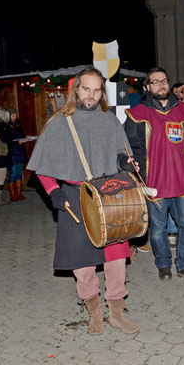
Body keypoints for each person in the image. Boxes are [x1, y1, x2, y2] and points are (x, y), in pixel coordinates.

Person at [27, 66, 139, 335]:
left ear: (102, 92)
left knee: (115, 259)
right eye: (86, 88)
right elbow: (43, 168)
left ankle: (116, 312)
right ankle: (94, 313)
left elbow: (119, 154)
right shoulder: (59, 122)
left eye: (96, 89)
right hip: (76, 197)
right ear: (76, 89)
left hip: (109, 194)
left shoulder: (110, 120)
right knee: (82, 262)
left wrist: (126, 161)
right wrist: (54, 192)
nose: (91, 94)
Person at [125, 67, 184, 282]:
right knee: (158, 228)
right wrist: (136, 170)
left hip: (182, 180)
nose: (161, 85)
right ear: (147, 87)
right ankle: (163, 265)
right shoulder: (138, 115)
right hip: (154, 181)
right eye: (156, 82)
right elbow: (132, 148)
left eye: (164, 81)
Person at [6, 108, 28, 201]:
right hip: (12, 152)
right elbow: (7, 140)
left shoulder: (17, 123)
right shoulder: (5, 125)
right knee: (13, 172)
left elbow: (21, 134)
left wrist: (26, 138)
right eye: (13, 116)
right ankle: (12, 194)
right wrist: (17, 142)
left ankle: (18, 193)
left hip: (20, 151)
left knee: (19, 172)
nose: (15, 117)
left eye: (15, 115)